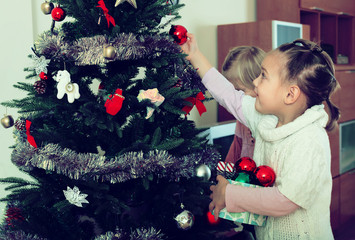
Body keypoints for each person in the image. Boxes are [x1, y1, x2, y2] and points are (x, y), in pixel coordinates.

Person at [182, 33, 339, 240]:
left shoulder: (309, 140)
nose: (255, 82)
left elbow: (285, 200)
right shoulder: (265, 120)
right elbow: (228, 95)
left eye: (263, 75)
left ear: (290, 94)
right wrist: (195, 55)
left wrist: (229, 193)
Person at [221, 46, 265, 163]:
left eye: (241, 91)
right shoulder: (242, 121)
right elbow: (235, 150)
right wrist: (225, 174)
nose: (237, 98)